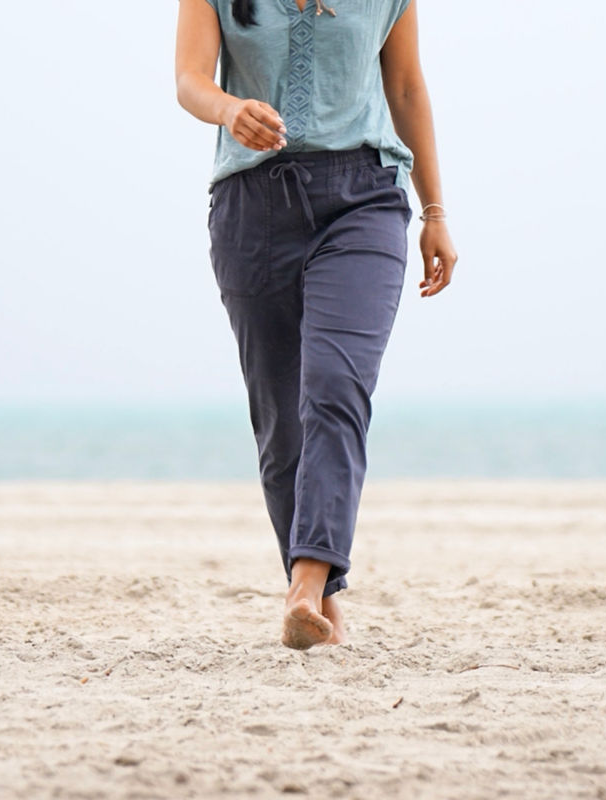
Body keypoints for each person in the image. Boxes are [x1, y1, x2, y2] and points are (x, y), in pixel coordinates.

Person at [175, 0, 457, 650]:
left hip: (364, 200)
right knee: (281, 426)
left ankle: (304, 584)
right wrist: (228, 109)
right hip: (251, 209)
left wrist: (435, 210)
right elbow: (190, 79)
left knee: (334, 386)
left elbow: (408, 86)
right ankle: (324, 605)